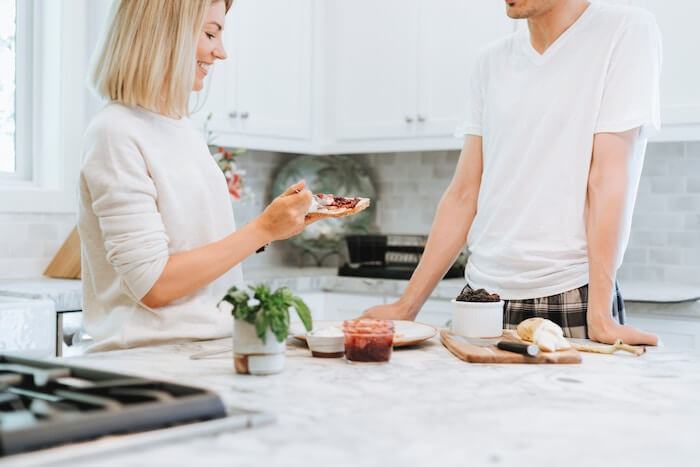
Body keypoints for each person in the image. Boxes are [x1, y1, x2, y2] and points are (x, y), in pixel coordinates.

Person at [364, 0, 660, 346]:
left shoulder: (623, 31)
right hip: (479, 296)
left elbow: (607, 179)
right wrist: (406, 306)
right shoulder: (490, 62)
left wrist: (600, 316)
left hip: (567, 293)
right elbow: (464, 193)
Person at [79, 0, 314, 352]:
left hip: (207, 351)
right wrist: (263, 228)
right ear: (164, 33)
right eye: (210, 33)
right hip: (149, 363)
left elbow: (198, 249)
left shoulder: (182, 128)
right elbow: (153, 286)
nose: (220, 53)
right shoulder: (115, 131)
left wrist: (275, 226)